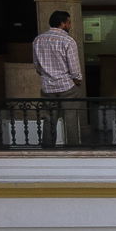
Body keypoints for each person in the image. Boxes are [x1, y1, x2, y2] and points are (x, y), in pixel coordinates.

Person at [31, 10, 84, 144]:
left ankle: (48, 149)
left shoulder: (38, 40)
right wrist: (77, 80)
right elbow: (74, 68)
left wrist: (46, 75)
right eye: (69, 22)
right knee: (70, 117)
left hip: (47, 86)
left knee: (49, 119)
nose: (70, 25)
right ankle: (73, 148)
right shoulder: (68, 41)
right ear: (62, 23)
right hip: (66, 86)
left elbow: (37, 65)